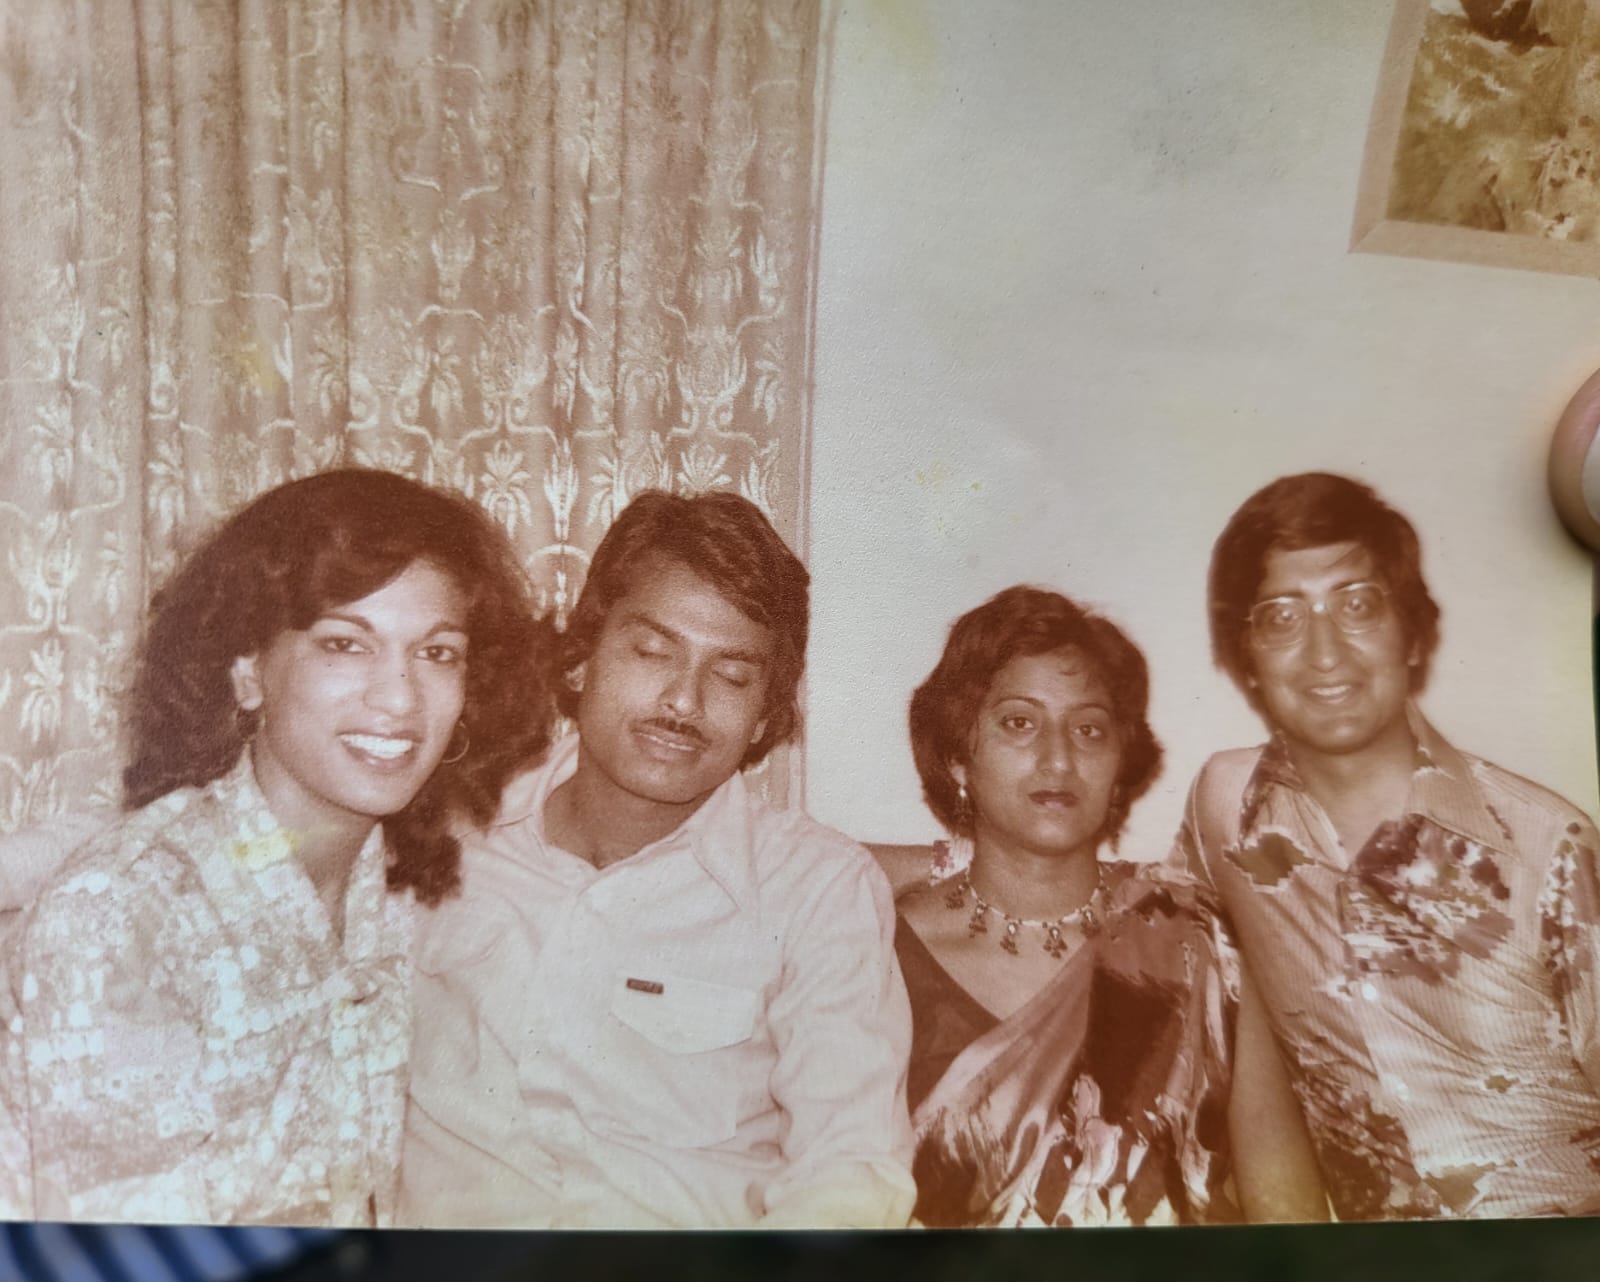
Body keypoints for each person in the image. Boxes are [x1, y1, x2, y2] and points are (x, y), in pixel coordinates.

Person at [0, 468, 553, 1225]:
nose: (399, 699)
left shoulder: (383, 889)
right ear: (247, 669)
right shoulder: (125, 920)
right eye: (345, 644)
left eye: (438, 653)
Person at [399, 489, 915, 1228]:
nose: (683, 699)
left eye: (731, 676)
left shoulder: (818, 890)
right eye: (651, 651)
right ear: (580, 661)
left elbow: (851, 1172)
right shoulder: (443, 832)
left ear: (767, 713)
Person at [1177, 470, 1600, 1220]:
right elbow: (1236, 1022)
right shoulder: (1228, 814)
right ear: (1245, 655)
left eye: (1358, 604)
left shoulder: (1547, 847)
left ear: (1412, 632)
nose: (1325, 652)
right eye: (1280, 616)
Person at [882, 585, 1323, 1227]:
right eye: (1019, 722)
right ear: (957, 755)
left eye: (1090, 729)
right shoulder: (883, 949)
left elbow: (1286, 1207)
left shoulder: (1204, 943)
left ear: (1121, 764)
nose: (1059, 758)